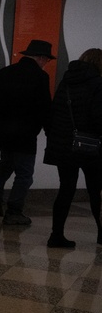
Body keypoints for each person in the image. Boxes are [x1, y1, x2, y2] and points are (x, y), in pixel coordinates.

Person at [0, 40, 54, 224]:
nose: (46, 64)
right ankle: (14, 211)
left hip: (2, 132)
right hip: (25, 134)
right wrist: (51, 133)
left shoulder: (4, 72)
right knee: (24, 173)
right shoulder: (40, 77)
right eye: (47, 61)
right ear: (41, 58)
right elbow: (44, 108)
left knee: (5, 164)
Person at [42, 48, 102, 247]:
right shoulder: (97, 84)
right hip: (90, 146)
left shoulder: (66, 82)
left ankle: (56, 235)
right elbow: (98, 117)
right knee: (96, 190)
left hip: (64, 146)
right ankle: (101, 234)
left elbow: (54, 114)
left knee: (66, 189)